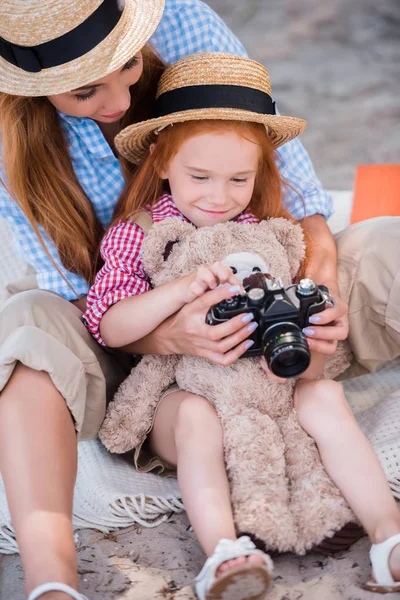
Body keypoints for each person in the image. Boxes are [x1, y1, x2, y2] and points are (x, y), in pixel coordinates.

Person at [0, 1, 398, 599]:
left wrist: (320, 294)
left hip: (282, 343)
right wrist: (176, 330)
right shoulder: (133, 226)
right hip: (143, 346)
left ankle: (386, 534)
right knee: (27, 324)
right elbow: (89, 307)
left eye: (129, 65)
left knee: (387, 239)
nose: (116, 101)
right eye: (85, 91)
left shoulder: (180, 21)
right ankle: (52, 580)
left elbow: (297, 196)